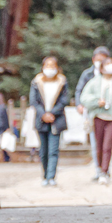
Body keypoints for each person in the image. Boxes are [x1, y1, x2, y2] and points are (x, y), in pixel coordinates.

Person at [80, 56, 112, 185]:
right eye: (107, 64)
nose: (111, 66)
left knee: (107, 146)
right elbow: (84, 97)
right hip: (98, 116)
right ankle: (99, 169)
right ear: (102, 69)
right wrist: (97, 102)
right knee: (98, 146)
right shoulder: (94, 82)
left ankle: (105, 171)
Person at [28, 55, 72, 186]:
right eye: (47, 65)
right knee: (43, 150)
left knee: (53, 150)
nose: (50, 68)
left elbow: (64, 100)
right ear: (42, 67)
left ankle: (51, 176)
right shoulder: (36, 82)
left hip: (56, 119)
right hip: (41, 119)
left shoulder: (62, 82)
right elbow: (33, 101)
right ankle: (45, 175)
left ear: (57, 68)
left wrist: (52, 113)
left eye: (52, 66)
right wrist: (43, 114)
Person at [73, 46, 110, 179]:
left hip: (108, 113)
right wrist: (79, 104)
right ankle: (98, 169)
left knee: (107, 143)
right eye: (98, 59)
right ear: (93, 59)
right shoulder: (87, 74)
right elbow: (79, 90)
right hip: (92, 112)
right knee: (96, 142)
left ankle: (106, 168)